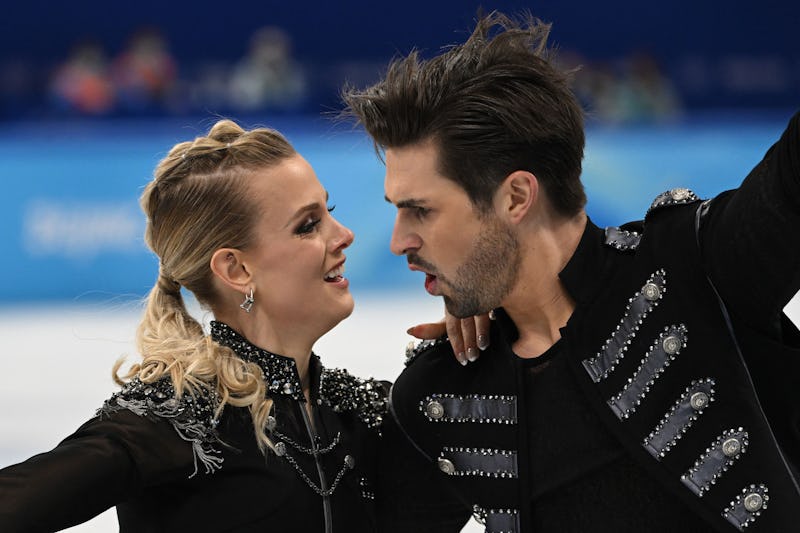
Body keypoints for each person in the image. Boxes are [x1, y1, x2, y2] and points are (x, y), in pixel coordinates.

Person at [342, 11, 800, 533]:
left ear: (516, 197)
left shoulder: (694, 265)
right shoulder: (443, 395)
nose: (399, 240)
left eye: (420, 210)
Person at [0, 119, 389, 532]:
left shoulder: (358, 412)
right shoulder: (177, 419)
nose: (344, 234)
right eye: (308, 225)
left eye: (328, 212)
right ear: (236, 269)